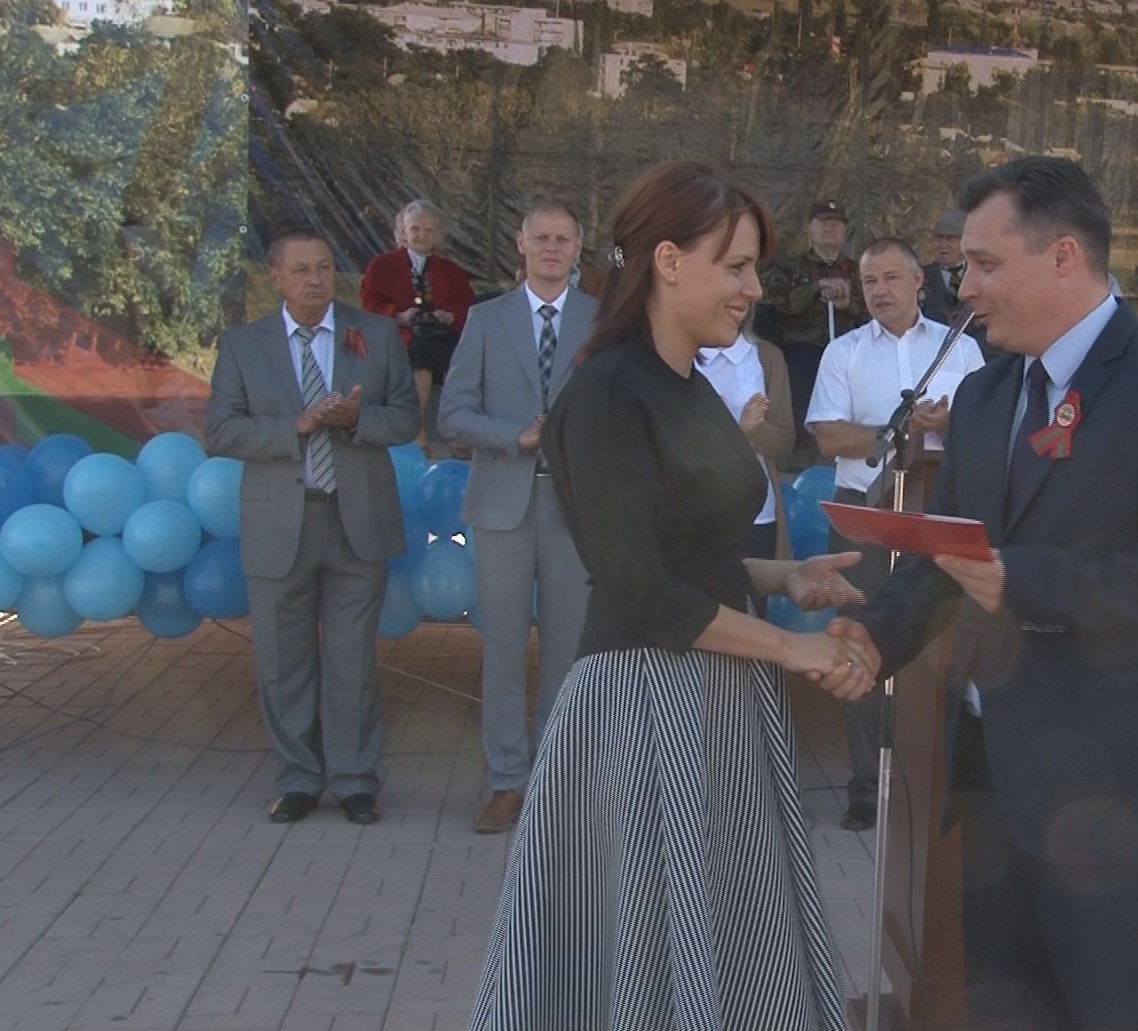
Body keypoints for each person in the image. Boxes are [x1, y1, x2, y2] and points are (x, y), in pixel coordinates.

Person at [831, 157, 1138, 1030]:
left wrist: (1026, 581)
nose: (965, 288)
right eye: (964, 266)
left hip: (1127, 795)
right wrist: (874, 638)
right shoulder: (985, 394)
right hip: (995, 789)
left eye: (985, 264)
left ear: (1064, 255)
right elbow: (946, 555)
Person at [468, 160, 876, 1031]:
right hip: (644, 709)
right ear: (667, 261)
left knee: (727, 944)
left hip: (720, 696)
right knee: (652, 956)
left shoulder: (691, 386)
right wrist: (794, 648)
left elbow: (691, 556)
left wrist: (785, 578)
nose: (754, 289)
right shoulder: (607, 393)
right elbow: (641, 590)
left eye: (755, 269)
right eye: (737, 267)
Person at [205, 231, 419, 826]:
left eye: (324, 267)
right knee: (283, 659)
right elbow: (220, 430)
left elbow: (407, 418)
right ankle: (298, 778)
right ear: (275, 276)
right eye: (301, 270)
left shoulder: (376, 334)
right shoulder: (244, 345)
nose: (316, 279)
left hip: (357, 519)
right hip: (280, 522)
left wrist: (356, 419)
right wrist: (294, 428)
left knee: (352, 661)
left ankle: (354, 782)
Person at [806, 236, 986, 830]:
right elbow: (828, 437)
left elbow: (987, 424)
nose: (879, 291)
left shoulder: (960, 347)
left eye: (890, 278)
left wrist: (950, 423)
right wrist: (898, 432)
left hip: (939, 511)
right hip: (867, 513)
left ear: (918, 281)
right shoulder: (844, 352)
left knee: (943, 644)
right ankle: (866, 786)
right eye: (869, 282)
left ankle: (938, 776)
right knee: (860, 638)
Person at [435, 200, 596, 835]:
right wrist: (515, 436)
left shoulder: (603, 320)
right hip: (502, 502)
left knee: (568, 650)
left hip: (574, 507)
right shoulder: (486, 318)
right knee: (502, 648)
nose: (552, 248)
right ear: (520, 243)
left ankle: (553, 785)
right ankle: (506, 781)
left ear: (578, 248)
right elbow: (452, 414)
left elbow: (616, 407)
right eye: (541, 237)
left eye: (564, 239)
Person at [358, 200, 477, 451]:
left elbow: (468, 306)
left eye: (428, 230)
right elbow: (369, 302)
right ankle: (416, 427)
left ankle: (458, 430)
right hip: (403, 334)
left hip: (444, 333)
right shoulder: (382, 266)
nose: (421, 235)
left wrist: (450, 316)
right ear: (403, 232)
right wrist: (399, 315)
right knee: (422, 353)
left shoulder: (452, 271)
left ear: (437, 235)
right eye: (415, 229)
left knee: (466, 355)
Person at [758, 199, 869, 463]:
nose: (829, 228)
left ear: (845, 231)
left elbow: (873, 312)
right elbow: (776, 302)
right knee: (801, 383)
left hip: (848, 349)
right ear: (809, 228)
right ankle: (801, 453)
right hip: (801, 349)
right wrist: (816, 288)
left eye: (836, 223)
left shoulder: (858, 270)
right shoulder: (788, 266)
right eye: (823, 222)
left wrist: (848, 305)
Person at [698, 310, 796, 561]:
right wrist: (724, 431)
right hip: (695, 514)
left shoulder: (767, 356)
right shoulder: (678, 355)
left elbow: (785, 443)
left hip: (757, 515)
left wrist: (756, 432)